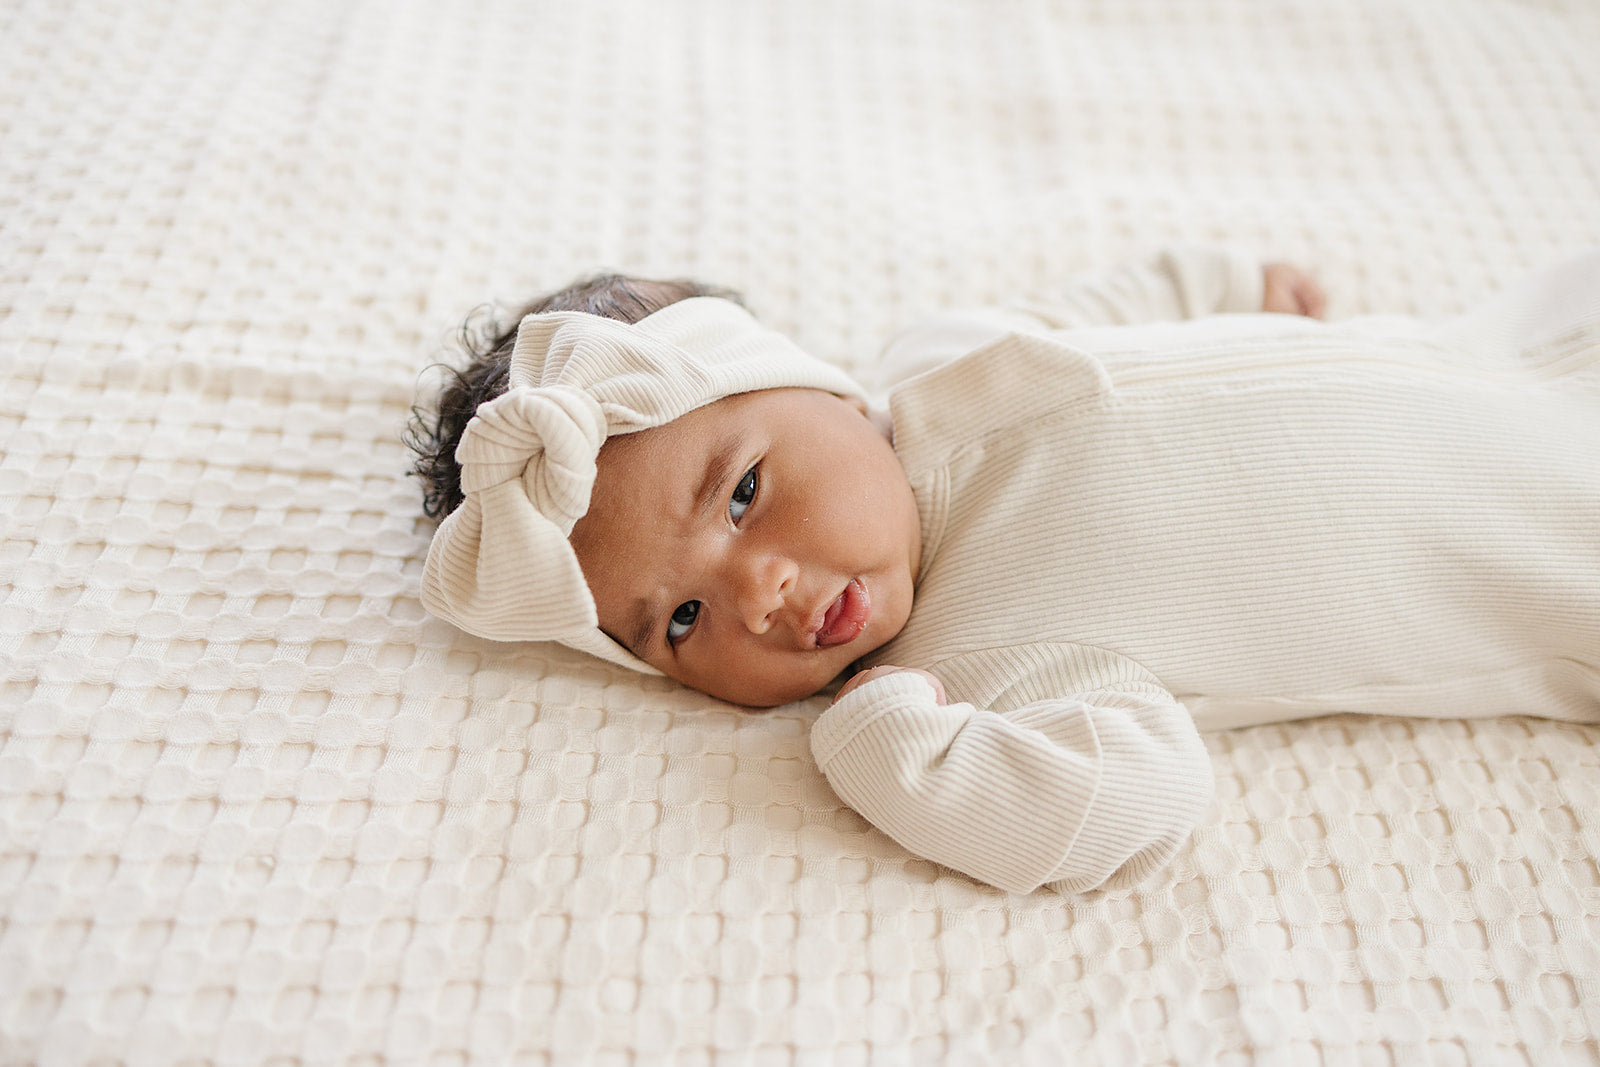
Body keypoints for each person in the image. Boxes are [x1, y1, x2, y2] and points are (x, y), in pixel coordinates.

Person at [409, 247, 1600, 894]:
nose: (756, 592)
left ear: (814, 379)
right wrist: (903, 758)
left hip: (1530, 347)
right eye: (677, 619)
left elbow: (1092, 309)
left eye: (743, 492)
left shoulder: (940, 354)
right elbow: (1138, 801)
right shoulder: (978, 667)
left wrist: (1224, 287)